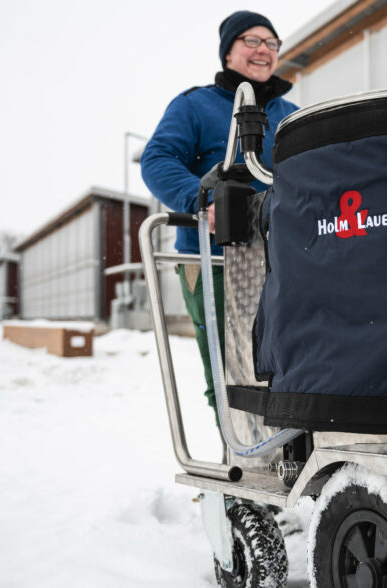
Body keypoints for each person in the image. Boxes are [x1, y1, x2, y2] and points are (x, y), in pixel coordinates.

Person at [141, 10, 298, 431]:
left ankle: (290, 457)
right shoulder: (195, 106)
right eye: (252, 40)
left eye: (272, 43)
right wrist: (205, 201)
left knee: (294, 364)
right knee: (230, 369)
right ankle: (238, 462)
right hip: (214, 258)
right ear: (228, 51)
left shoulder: (292, 115)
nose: (264, 50)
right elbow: (158, 160)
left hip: (285, 258)